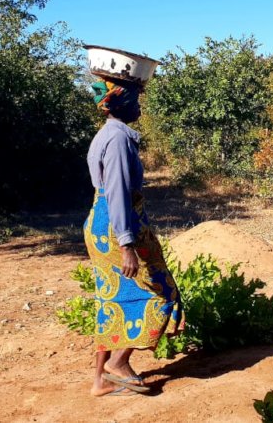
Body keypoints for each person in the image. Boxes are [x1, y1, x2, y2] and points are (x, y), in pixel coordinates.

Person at [84, 76, 184, 397]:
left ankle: (100, 380)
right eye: (135, 99)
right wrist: (127, 244)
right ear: (121, 102)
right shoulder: (118, 140)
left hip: (102, 224)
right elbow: (117, 193)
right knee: (161, 292)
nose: (140, 105)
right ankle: (119, 363)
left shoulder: (107, 134)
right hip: (120, 226)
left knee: (110, 299)